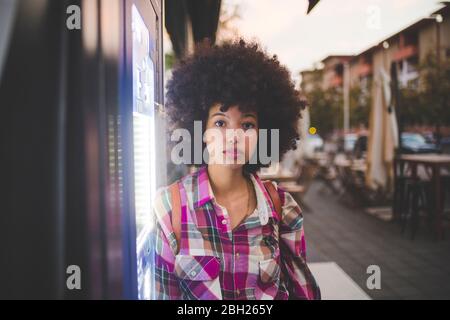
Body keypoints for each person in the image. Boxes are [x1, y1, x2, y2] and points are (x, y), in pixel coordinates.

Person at [153, 39, 315, 300]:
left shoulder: (282, 206)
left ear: (262, 134)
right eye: (220, 122)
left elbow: (304, 293)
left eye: (248, 124)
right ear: (201, 131)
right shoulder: (170, 207)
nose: (234, 137)